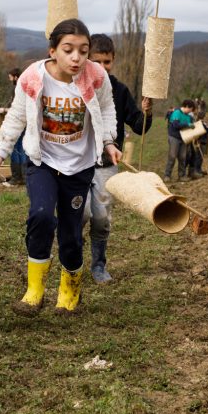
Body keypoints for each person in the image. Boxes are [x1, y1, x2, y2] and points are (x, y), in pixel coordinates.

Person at [0, 19, 121, 316]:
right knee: (42, 216)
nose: (77, 58)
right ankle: (34, 291)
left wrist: (109, 142)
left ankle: (70, 290)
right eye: (68, 50)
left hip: (80, 166)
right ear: (53, 51)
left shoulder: (96, 76)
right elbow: (17, 116)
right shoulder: (32, 77)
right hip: (43, 161)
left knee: (72, 233)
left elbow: (108, 108)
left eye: (83, 51)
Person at [82, 33, 152, 284]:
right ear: (86, 60)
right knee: (81, 214)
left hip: (106, 165)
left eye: (107, 62)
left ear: (113, 61)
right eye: (96, 61)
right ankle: (72, 263)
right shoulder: (76, 87)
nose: (102, 67)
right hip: (77, 163)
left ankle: (99, 265)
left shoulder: (120, 91)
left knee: (101, 217)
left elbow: (138, 125)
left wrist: (146, 112)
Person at [3, 67, 27, 186]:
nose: (9, 79)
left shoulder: (16, 89)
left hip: (18, 123)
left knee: (15, 149)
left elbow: (16, 107)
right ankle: (24, 177)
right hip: (26, 123)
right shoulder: (25, 87)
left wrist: (4, 110)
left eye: (10, 76)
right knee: (23, 149)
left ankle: (16, 178)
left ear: (15, 77)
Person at [164, 99, 196, 181]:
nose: (190, 112)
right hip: (174, 137)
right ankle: (167, 175)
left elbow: (190, 127)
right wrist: (187, 124)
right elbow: (175, 125)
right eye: (190, 109)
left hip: (184, 138)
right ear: (187, 107)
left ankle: (181, 176)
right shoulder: (177, 113)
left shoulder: (189, 116)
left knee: (182, 157)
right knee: (172, 156)